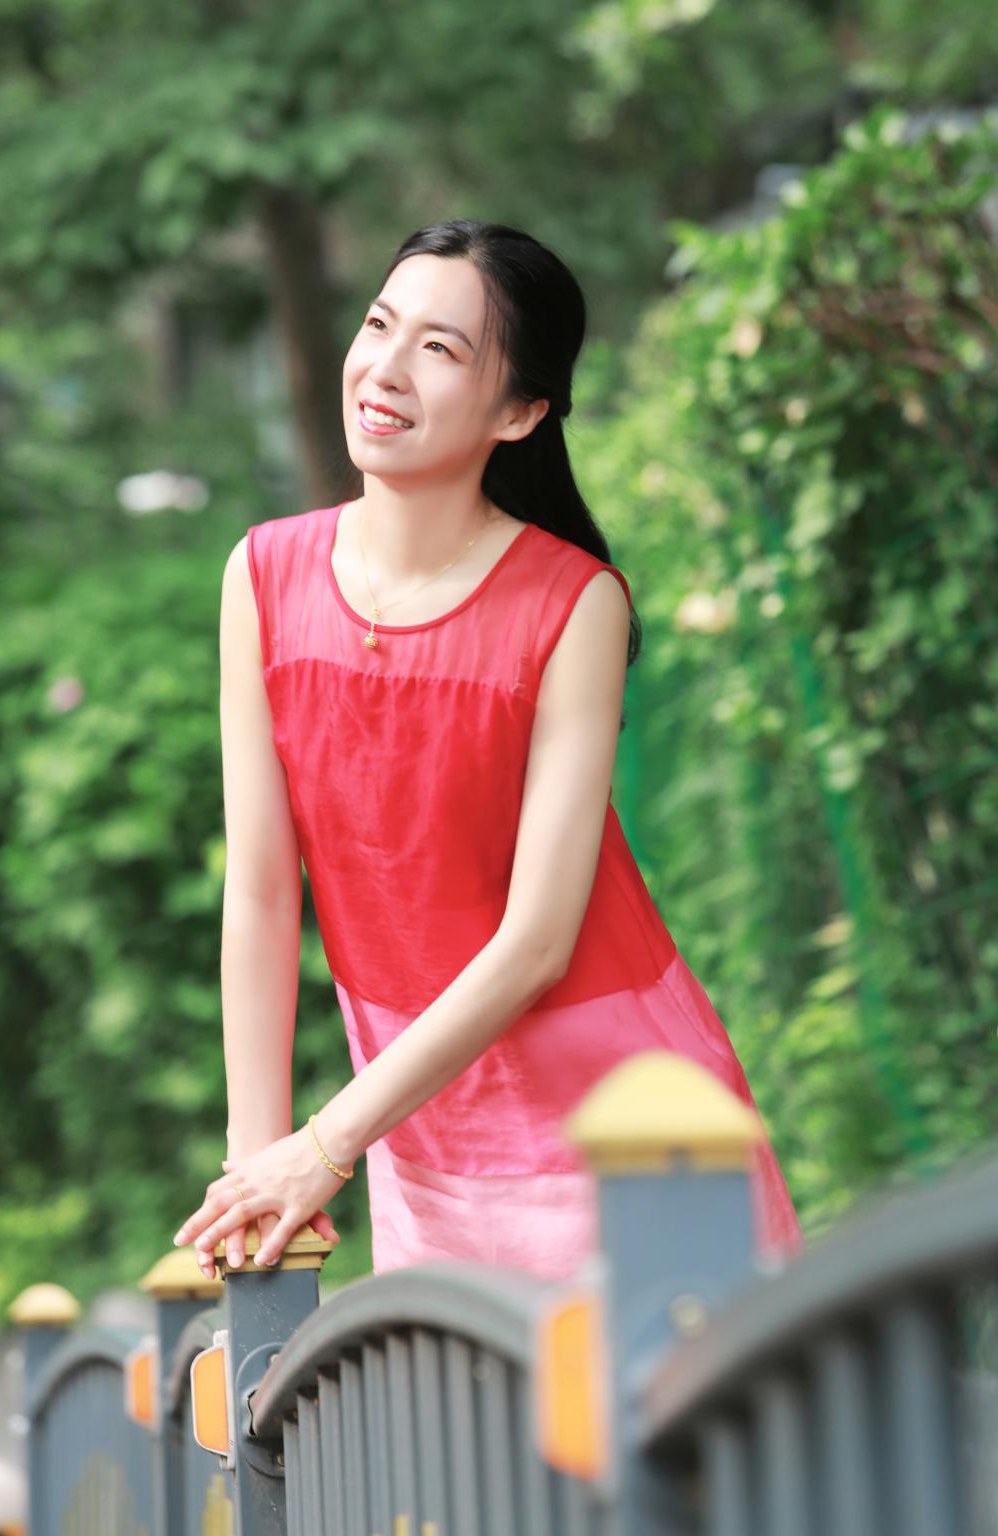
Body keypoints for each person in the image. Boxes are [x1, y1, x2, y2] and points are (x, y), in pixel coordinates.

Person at [172, 218, 804, 1282]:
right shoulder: (264, 577)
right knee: (453, 1392)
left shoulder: (574, 604)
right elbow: (265, 893)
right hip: (424, 1130)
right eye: (380, 324)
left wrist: (322, 1147)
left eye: (440, 348)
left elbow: (538, 941)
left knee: (660, 1394)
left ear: (520, 411)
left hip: (622, 1129)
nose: (385, 367)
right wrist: (256, 1162)